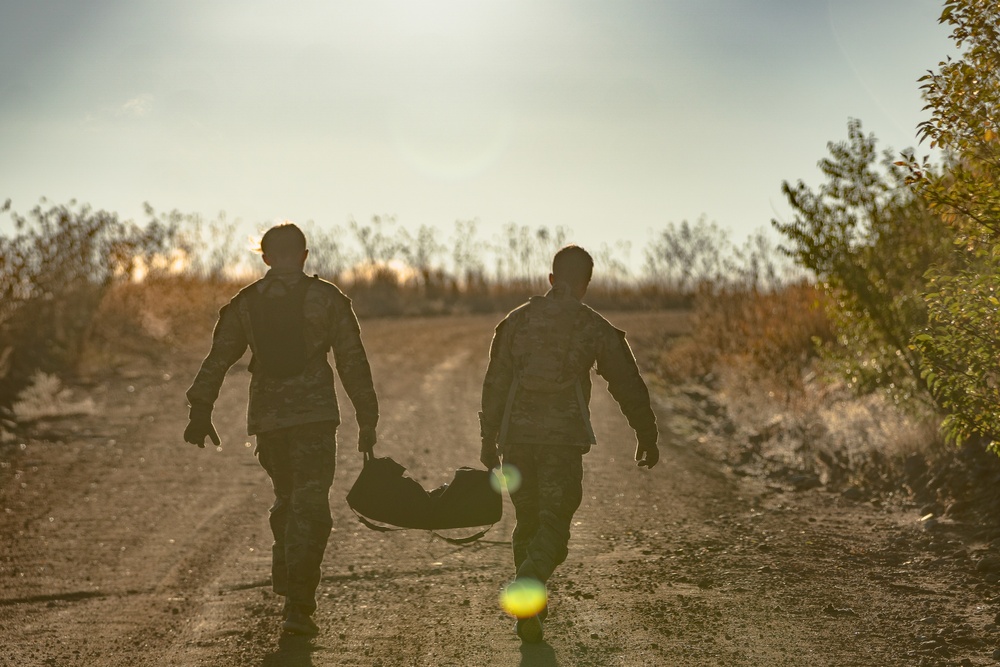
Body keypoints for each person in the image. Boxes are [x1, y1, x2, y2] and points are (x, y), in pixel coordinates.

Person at [183, 222, 379, 637]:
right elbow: (351, 361)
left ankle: (289, 583)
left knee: (289, 501)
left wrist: (201, 410)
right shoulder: (327, 299)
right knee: (310, 506)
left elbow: (218, 357)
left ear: (266, 257)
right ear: (305, 255)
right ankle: (298, 605)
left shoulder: (246, 302)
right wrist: (367, 417)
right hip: (315, 419)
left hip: (269, 421)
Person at [479, 244, 659, 644]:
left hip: (518, 440)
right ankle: (527, 584)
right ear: (585, 285)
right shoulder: (592, 325)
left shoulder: (515, 322)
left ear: (550, 279)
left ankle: (531, 611)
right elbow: (626, 381)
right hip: (561, 443)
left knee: (527, 521)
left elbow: (494, 385)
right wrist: (645, 431)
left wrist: (487, 441)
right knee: (555, 527)